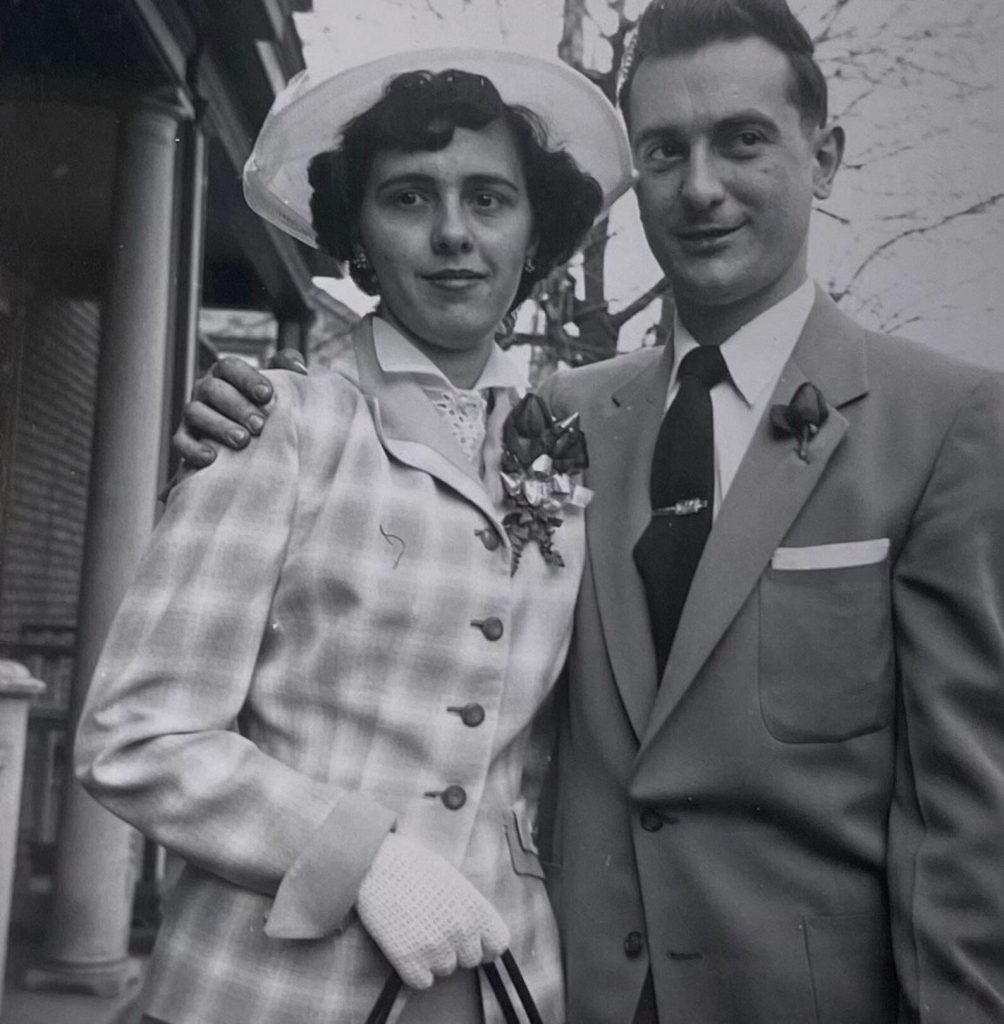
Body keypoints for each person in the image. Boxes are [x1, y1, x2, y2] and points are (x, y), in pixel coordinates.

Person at [174, 1, 1004, 1021]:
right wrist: (235, 431)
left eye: (741, 141)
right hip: (563, 992)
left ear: (822, 157)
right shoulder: (552, 421)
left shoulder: (943, 422)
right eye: (662, 150)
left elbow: (964, 823)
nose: (699, 188)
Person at [75, 48, 633, 1024]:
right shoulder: (281, 427)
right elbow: (137, 736)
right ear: (359, 236)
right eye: (409, 198)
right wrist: (358, 852)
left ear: (532, 231)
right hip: (272, 987)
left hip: (500, 980)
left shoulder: (566, 454)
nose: (452, 233)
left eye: (489, 199)